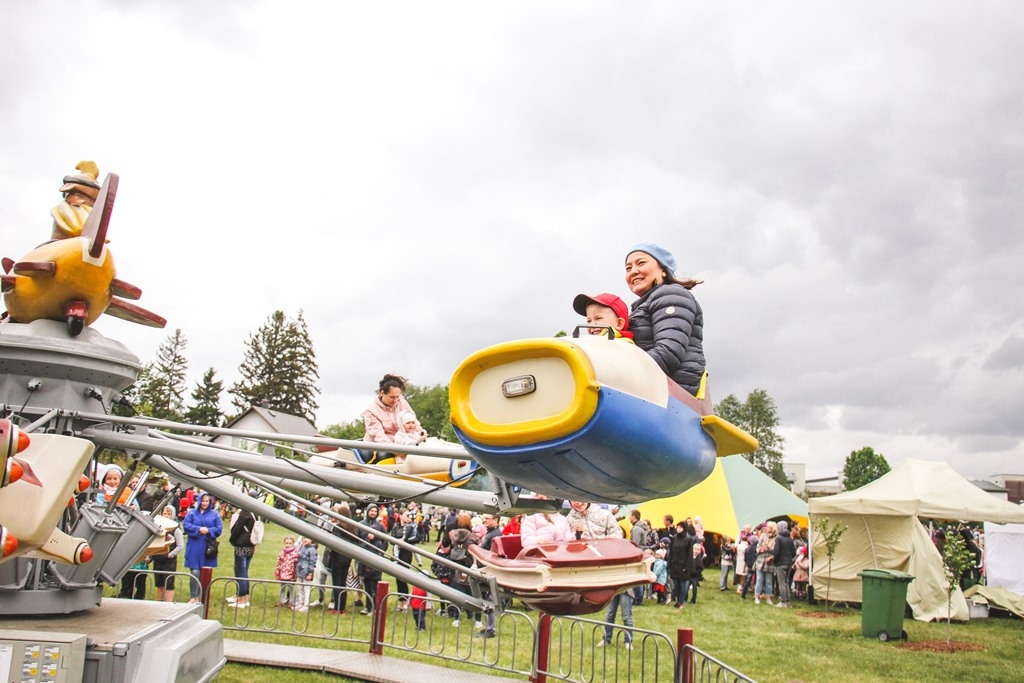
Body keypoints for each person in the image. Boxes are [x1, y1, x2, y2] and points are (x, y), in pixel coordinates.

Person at [624, 242, 705, 395]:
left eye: (641, 263)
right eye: (628, 268)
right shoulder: (645, 304)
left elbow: (668, 352)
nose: (633, 271)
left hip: (672, 394)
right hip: (655, 389)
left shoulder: (671, 295)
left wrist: (621, 371)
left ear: (663, 270)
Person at [182, 491, 223, 604]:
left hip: (207, 546)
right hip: (194, 545)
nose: (205, 503)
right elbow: (186, 525)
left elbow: (219, 528)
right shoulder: (191, 513)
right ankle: (193, 596)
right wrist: (198, 529)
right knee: (195, 571)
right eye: (203, 501)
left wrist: (209, 530)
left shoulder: (214, 514)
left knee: (204, 572)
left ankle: (201, 596)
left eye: (207, 501)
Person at [363, 374, 422, 444]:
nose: (395, 400)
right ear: (382, 393)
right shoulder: (371, 411)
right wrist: (396, 449)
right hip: (380, 446)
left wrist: (421, 434)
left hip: (403, 442)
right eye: (392, 397)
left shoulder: (402, 403)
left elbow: (414, 422)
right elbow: (378, 436)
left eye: (397, 397)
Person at [358, 503, 390, 615]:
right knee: (366, 583)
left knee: (374, 584)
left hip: (376, 558)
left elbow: (386, 541)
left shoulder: (380, 526)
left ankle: (376, 608)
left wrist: (380, 551)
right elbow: (356, 540)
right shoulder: (361, 524)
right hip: (364, 558)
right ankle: (368, 606)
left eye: (375, 511)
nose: (373, 513)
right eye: (371, 511)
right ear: (367, 511)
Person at [227, 496, 257, 608]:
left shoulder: (244, 514)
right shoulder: (255, 513)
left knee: (240, 573)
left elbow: (237, 529)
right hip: (251, 546)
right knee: (245, 573)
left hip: (241, 546)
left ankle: (241, 600)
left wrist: (232, 540)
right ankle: (245, 599)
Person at [152, 505, 184, 602]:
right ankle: (159, 601)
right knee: (159, 583)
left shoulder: (176, 529)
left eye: (169, 514)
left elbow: (180, 545)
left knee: (169, 583)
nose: (166, 516)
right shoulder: (158, 528)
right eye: (164, 513)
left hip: (169, 561)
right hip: (158, 559)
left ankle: (168, 602)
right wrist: (151, 556)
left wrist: (171, 554)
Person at [327, 503, 355, 615]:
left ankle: (338, 608)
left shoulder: (338, 528)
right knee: (343, 583)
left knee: (337, 583)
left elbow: (332, 542)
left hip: (337, 558)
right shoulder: (352, 528)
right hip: (347, 559)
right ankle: (342, 607)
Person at [773, 521, 796, 608]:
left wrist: (775, 560)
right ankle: (788, 601)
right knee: (786, 582)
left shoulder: (779, 538)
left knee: (781, 583)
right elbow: (794, 552)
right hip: (789, 563)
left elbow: (776, 552)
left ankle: (783, 601)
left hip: (781, 563)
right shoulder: (790, 539)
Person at [294, 537, 319, 613]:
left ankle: (306, 605)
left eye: (307, 538)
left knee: (306, 588)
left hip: (307, 572)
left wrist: (310, 573)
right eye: (304, 538)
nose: (305, 540)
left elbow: (312, 562)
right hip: (300, 570)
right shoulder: (302, 547)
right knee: (300, 587)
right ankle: (300, 602)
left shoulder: (312, 550)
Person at [274, 536, 300, 607]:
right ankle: (281, 601)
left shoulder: (295, 553)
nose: (288, 545)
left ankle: (292, 602)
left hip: (291, 573)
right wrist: (277, 572)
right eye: (286, 543)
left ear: (293, 544)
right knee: (282, 588)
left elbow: (296, 565)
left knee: (291, 588)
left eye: (290, 543)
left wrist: (295, 574)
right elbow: (279, 563)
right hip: (282, 573)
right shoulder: (282, 553)